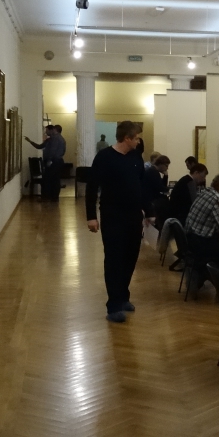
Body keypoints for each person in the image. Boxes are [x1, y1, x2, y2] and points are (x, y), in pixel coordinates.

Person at [86, 120, 154, 323]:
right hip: (112, 215)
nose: (139, 141)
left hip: (133, 216)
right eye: (137, 138)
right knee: (114, 259)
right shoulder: (104, 157)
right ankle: (114, 305)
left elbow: (142, 186)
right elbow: (92, 187)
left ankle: (123, 296)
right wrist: (91, 216)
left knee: (130, 257)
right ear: (127, 138)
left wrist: (149, 212)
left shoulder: (136, 157)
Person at [25, 124, 64, 201]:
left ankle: (47, 197)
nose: (46, 132)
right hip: (56, 161)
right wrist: (30, 141)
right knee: (54, 180)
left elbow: (52, 151)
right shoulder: (54, 139)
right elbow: (40, 146)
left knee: (48, 179)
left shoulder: (56, 139)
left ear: (54, 130)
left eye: (47, 130)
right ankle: (53, 197)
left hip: (54, 162)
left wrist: (49, 160)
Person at [144, 154, 171, 228]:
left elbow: (161, 185)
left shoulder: (153, 171)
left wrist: (165, 176)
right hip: (151, 201)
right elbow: (160, 188)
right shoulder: (153, 172)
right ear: (161, 164)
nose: (167, 168)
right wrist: (169, 189)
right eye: (166, 165)